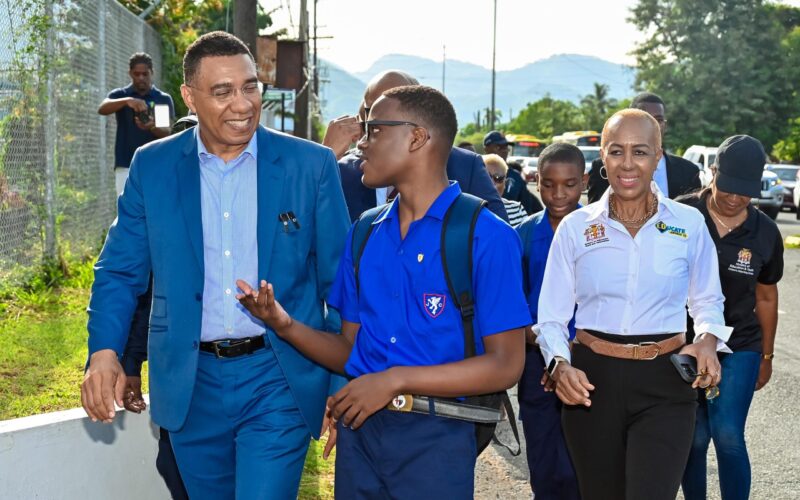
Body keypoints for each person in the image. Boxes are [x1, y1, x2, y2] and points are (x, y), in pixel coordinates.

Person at [81, 31, 350, 500]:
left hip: (278, 377)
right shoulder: (153, 166)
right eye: (222, 91)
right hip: (189, 382)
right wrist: (105, 351)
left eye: (250, 86)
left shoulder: (311, 165)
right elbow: (120, 270)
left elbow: (342, 284)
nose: (242, 104)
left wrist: (340, 378)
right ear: (189, 96)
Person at [237, 85, 530, 499]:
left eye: (374, 130)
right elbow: (349, 349)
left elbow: (506, 365)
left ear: (416, 137)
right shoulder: (364, 232)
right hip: (362, 437)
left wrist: (394, 381)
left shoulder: (486, 236)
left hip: (439, 439)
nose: (361, 142)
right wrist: (282, 324)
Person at [535, 109, 732, 499]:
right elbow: (552, 317)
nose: (627, 164)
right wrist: (559, 365)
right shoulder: (576, 228)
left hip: (666, 383)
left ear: (658, 157)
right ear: (603, 159)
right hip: (590, 384)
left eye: (640, 152)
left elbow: (708, 300)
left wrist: (708, 339)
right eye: (616, 151)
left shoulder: (689, 224)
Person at [680, 135, 784, 500]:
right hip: (686, 346)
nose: (735, 198)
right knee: (693, 438)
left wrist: (766, 357)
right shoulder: (681, 216)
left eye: (745, 191)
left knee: (727, 435)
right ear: (712, 173)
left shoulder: (765, 233)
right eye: (728, 187)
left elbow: (767, 297)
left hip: (740, 345)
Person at [328, 70, 507, 222]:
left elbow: (497, 241)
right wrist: (323, 160)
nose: (363, 140)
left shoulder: (465, 167)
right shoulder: (340, 173)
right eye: (367, 119)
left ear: (417, 134)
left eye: (378, 126)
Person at [516, 143, 585, 499]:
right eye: (548, 184)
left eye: (569, 184)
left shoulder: (601, 231)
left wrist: (571, 354)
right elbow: (513, 306)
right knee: (544, 462)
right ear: (536, 181)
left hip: (589, 362)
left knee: (581, 462)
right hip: (535, 363)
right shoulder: (523, 235)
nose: (558, 194)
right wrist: (548, 352)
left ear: (585, 182)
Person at [587, 92, 701, 203]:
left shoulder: (688, 172)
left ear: (664, 126)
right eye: (644, 118)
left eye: (658, 120)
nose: (652, 125)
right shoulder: (602, 168)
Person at [98, 52, 175, 195]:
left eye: (145, 74)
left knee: (154, 210)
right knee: (127, 212)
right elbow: (102, 108)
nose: (141, 78)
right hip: (126, 165)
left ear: (152, 72)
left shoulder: (161, 99)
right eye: (136, 74)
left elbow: (167, 132)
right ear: (130, 73)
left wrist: (151, 126)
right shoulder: (121, 95)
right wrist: (127, 101)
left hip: (155, 165)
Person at [484, 130, 544, 214]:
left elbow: (527, 209)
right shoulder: (476, 174)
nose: (504, 150)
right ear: (486, 149)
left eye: (506, 147)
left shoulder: (516, 177)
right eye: (499, 147)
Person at [482, 153, 528, 227]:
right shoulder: (468, 208)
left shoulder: (517, 209)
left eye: (498, 178)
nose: (492, 183)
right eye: (487, 177)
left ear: (505, 184)